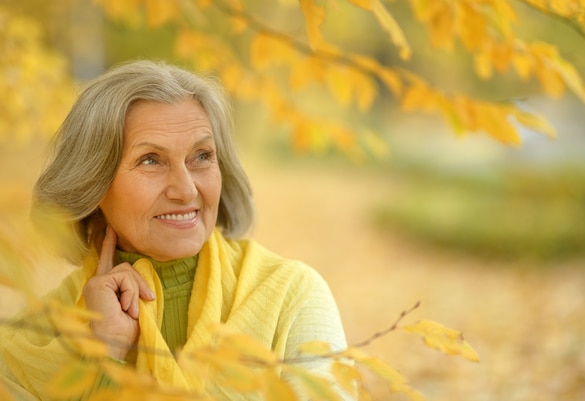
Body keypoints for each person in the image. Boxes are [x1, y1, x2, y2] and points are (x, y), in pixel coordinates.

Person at [0, 60, 348, 400]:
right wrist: (107, 355)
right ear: (93, 185)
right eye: (151, 159)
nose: (186, 190)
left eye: (201, 156)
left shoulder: (291, 296)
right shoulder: (34, 335)